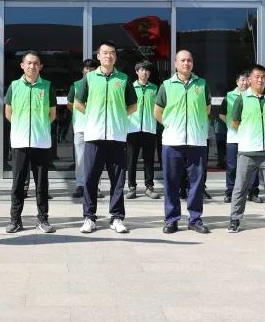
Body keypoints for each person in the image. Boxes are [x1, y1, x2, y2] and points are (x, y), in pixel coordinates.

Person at [74, 41, 136, 234]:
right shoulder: (90, 78)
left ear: (115, 57)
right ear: (98, 56)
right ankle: (89, 217)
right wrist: (92, 115)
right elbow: (78, 102)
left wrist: (119, 117)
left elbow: (133, 105)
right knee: (90, 179)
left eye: (112, 53)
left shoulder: (123, 78)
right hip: (94, 136)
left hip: (117, 137)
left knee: (117, 180)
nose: (108, 56)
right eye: (105, 53)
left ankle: (116, 217)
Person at [154, 50, 212, 234]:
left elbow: (207, 109)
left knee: (196, 183)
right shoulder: (166, 85)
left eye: (189, 60)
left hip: (197, 141)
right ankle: (171, 219)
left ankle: (195, 219)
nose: (186, 63)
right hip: (172, 142)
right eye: (183, 60)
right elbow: (158, 112)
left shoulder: (202, 84)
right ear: (175, 64)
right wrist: (171, 125)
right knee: (171, 182)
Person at [227, 64, 265, 233]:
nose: (260, 80)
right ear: (250, 79)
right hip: (247, 151)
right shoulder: (242, 98)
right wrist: (249, 135)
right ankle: (235, 219)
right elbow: (235, 122)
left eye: (263, 77)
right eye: (257, 77)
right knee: (240, 187)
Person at [4, 51, 58, 233]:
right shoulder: (14, 86)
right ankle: (15, 220)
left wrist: (38, 127)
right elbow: (8, 112)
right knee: (18, 183)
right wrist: (22, 128)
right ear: (22, 66)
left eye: (35, 63)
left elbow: (52, 114)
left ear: (40, 66)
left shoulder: (47, 86)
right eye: (28, 63)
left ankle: (43, 220)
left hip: (41, 142)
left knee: (42, 184)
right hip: (20, 142)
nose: (32, 66)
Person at [127, 61, 161, 200]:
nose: (145, 72)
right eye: (142, 70)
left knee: (149, 160)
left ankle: (149, 187)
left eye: (147, 70)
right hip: (132, 128)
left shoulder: (155, 88)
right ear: (137, 72)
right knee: (131, 160)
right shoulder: (130, 87)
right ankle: (132, 187)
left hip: (149, 128)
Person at [68, 58, 100, 199]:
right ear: (82, 70)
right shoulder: (76, 85)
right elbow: (70, 104)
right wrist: (81, 114)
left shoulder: (99, 84)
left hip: (96, 127)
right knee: (80, 159)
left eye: (92, 68)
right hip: (80, 127)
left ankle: (95, 186)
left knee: (95, 159)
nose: (88, 71)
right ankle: (80, 185)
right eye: (86, 68)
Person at [219, 70, 250, 203]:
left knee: (250, 167)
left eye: (246, 80)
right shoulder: (229, 96)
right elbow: (222, 115)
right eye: (242, 80)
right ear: (237, 82)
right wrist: (231, 125)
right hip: (233, 137)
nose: (244, 83)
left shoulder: (253, 96)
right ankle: (230, 192)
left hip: (249, 138)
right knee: (232, 166)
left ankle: (251, 192)